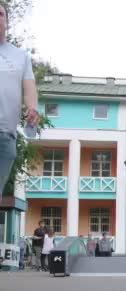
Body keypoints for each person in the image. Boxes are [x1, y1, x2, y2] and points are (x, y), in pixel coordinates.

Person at [0, 3, 39, 199]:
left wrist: (32, 108)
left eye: (0, 14)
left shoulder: (20, 56)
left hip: (5, 135)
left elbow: (29, 86)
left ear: (6, 21)